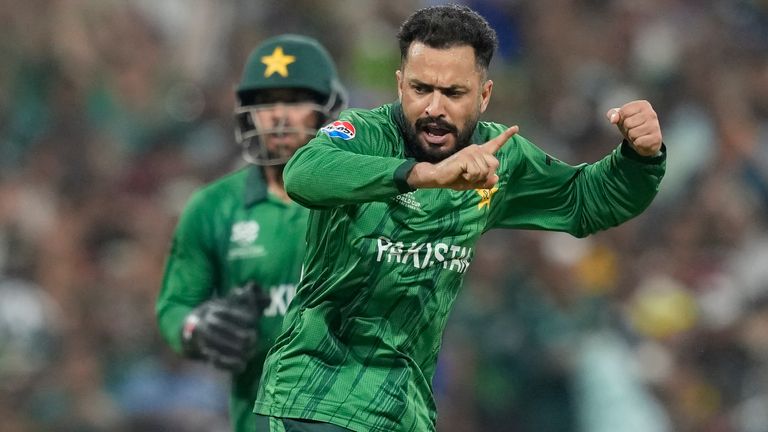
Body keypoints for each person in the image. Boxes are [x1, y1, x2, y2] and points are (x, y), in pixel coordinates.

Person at [253, 4, 665, 432]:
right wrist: (422, 175)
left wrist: (639, 157)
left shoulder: (497, 158)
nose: (434, 108)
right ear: (399, 86)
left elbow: (586, 201)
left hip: (402, 410)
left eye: (453, 93)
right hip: (318, 395)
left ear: (484, 95)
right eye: (420, 89)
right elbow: (303, 174)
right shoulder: (364, 134)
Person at [155, 34, 347, 432]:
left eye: (294, 101)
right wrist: (199, 327)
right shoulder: (213, 208)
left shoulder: (368, 198)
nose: (278, 116)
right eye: (265, 102)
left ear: (326, 112)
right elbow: (174, 308)